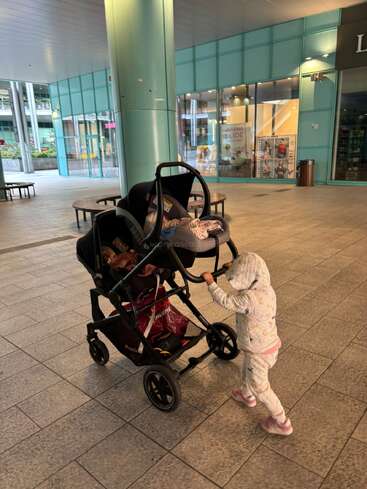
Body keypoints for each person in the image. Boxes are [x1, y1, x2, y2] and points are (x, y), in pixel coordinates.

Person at [201, 252, 293, 436]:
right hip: (268, 345)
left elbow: (227, 301)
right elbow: (247, 279)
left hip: (258, 353)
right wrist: (232, 268)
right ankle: (246, 394)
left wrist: (211, 284)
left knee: (261, 388)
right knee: (246, 369)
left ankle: (281, 421)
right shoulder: (267, 290)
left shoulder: (248, 299)